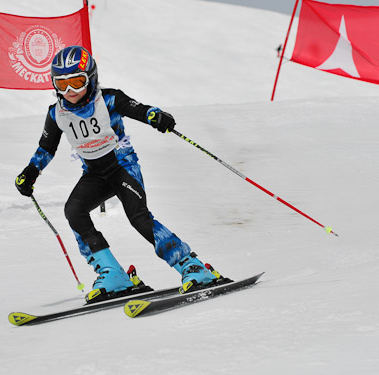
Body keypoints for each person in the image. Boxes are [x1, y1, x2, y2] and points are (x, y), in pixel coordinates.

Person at [15, 46, 229, 302]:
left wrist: (155, 116)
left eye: (76, 82)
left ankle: (191, 266)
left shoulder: (108, 99)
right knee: (74, 211)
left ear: (91, 78)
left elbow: (137, 109)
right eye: (62, 85)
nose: (70, 91)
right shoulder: (56, 113)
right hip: (94, 174)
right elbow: (46, 148)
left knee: (138, 217)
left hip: (122, 167)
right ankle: (112, 273)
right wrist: (31, 171)